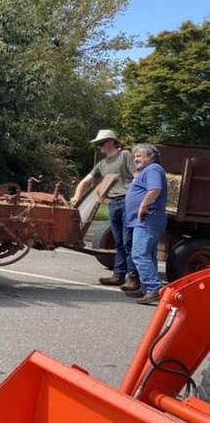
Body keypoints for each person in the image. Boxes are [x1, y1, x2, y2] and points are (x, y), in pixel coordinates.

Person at [70, 129, 137, 287]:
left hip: (127, 201)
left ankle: (134, 278)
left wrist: (132, 196)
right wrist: (76, 196)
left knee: (128, 240)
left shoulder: (125, 155)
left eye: (101, 143)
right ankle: (118, 275)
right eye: (98, 144)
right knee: (119, 241)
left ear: (111, 142)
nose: (98, 146)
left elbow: (137, 176)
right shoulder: (102, 164)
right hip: (113, 203)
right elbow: (85, 181)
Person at [124, 143, 168, 305]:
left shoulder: (153, 169)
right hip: (146, 220)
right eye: (135, 156)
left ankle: (153, 288)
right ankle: (146, 288)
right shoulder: (149, 170)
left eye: (139, 156)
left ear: (151, 157)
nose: (136, 159)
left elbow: (155, 189)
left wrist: (143, 206)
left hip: (147, 219)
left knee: (139, 254)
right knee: (148, 255)